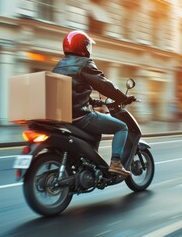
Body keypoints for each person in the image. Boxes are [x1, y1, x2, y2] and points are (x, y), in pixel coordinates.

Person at [52, 30, 136, 177]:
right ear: (83, 47)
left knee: (95, 132)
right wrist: (122, 98)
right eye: (88, 45)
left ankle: (87, 163)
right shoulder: (84, 63)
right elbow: (103, 85)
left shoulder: (60, 65)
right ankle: (116, 163)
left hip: (63, 116)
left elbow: (72, 90)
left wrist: (94, 101)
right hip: (80, 116)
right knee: (122, 127)